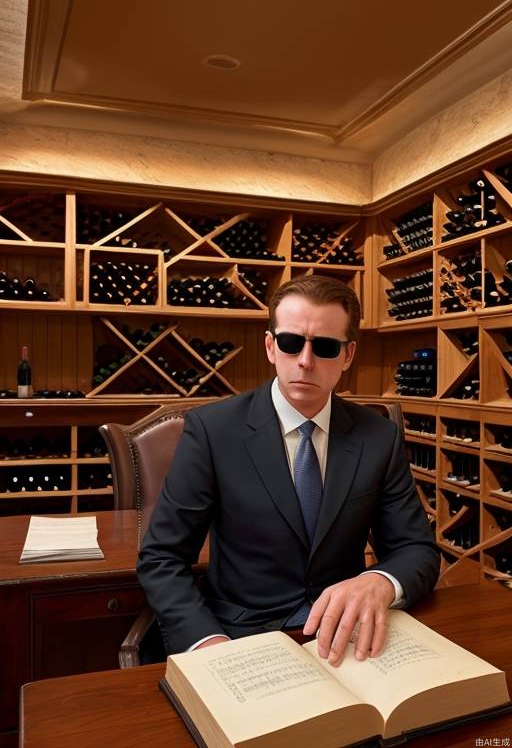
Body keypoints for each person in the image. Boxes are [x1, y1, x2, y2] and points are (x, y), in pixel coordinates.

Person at [137, 275, 439, 666]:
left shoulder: (379, 437)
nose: (305, 361)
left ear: (347, 356)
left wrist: (379, 582)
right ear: (270, 346)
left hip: (346, 636)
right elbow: (162, 557)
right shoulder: (213, 431)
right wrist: (206, 642)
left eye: (325, 347)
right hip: (240, 637)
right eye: (291, 342)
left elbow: (417, 549)